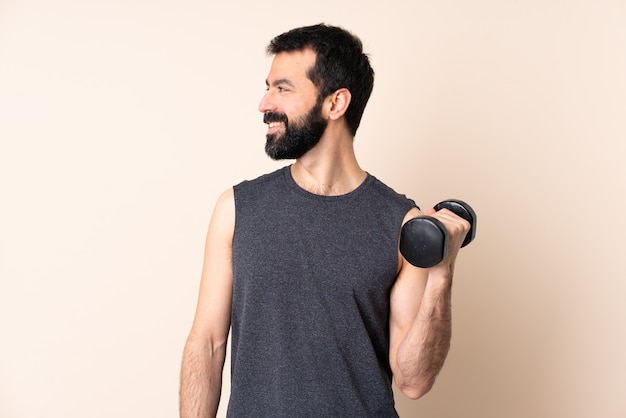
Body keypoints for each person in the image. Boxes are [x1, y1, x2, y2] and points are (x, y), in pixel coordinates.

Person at [179, 23, 470, 418]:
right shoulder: (236, 208)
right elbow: (208, 343)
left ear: (335, 103)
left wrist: (441, 273)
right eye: (268, 87)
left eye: (282, 88)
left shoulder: (402, 224)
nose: (264, 103)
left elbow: (413, 380)